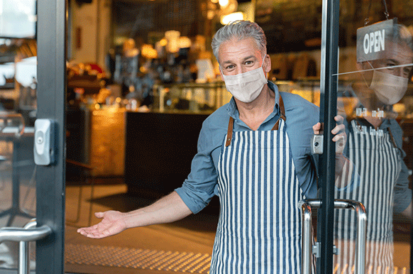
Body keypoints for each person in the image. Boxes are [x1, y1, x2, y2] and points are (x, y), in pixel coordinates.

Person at [78, 20, 345, 273]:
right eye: (230, 66)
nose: (240, 74)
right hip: (231, 263)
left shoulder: (308, 116)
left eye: (248, 62)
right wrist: (126, 219)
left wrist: (339, 156)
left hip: (292, 264)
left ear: (266, 63)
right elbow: (194, 193)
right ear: (221, 72)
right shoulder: (214, 126)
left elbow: (340, 182)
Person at [333, 23, 413, 273]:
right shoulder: (335, 114)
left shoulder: (393, 129)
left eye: (407, 70)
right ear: (363, 64)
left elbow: (398, 195)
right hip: (338, 260)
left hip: (381, 261)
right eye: (391, 65)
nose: (400, 76)